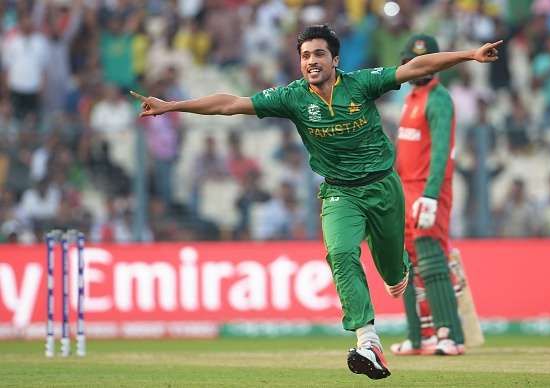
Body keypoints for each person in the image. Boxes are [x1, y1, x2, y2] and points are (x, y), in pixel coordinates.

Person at [131, 25, 501, 380]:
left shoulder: (361, 84)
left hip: (383, 187)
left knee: (393, 273)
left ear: (335, 60)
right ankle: (368, 341)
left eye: (319, 54)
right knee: (340, 253)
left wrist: (469, 54)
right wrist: (172, 105)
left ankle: (397, 268)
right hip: (339, 192)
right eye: (306, 55)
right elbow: (230, 104)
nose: (311, 60)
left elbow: (416, 67)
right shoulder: (292, 97)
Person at [390, 34, 465, 357]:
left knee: (432, 260)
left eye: (422, 60)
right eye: (411, 61)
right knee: (404, 263)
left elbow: (441, 152)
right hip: (404, 190)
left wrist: (432, 195)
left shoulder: (439, 99)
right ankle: (417, 337)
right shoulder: (410, 98)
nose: (416, 66)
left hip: (428, 191)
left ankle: (449, 335)